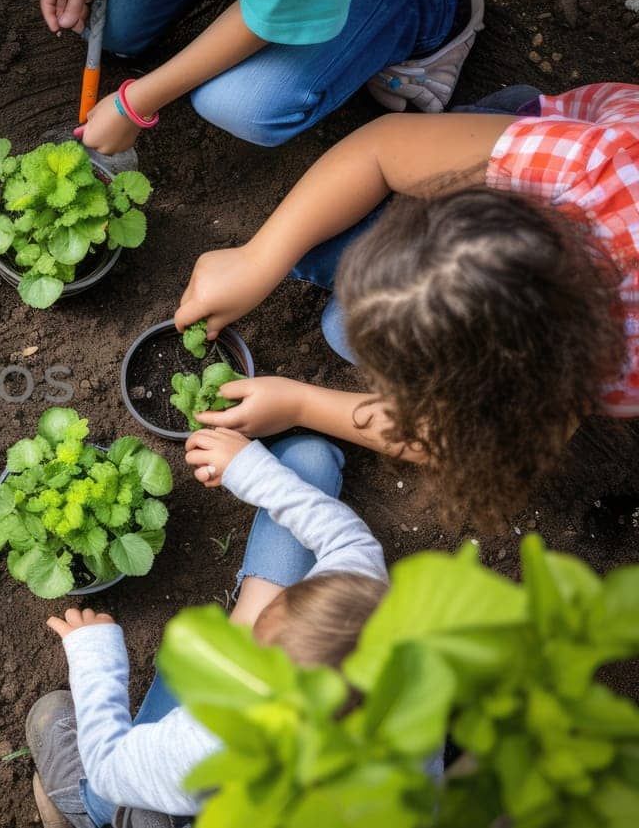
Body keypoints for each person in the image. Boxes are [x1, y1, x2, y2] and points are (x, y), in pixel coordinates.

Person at [173, 82, 638, 523]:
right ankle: (499, 119)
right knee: (315, 253)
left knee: (342, 326)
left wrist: (300, 404)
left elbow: (464, 440)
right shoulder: (582, 168)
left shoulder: (610, 374)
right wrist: (258, 259)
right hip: (559, 145)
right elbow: (381, 148)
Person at [26, 431, 391, 827]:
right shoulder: (369, 594)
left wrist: (94, 654)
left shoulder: (212, 743)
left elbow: (110, 765)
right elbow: (345, 539)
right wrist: (246, 466)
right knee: (310, 459)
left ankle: (92, 812)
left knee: (141, 801)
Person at [40, 0, 481, 155]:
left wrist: (135, 103)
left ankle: (433, 6)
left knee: (244, 107)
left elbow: (269, 12)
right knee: (112, 25)